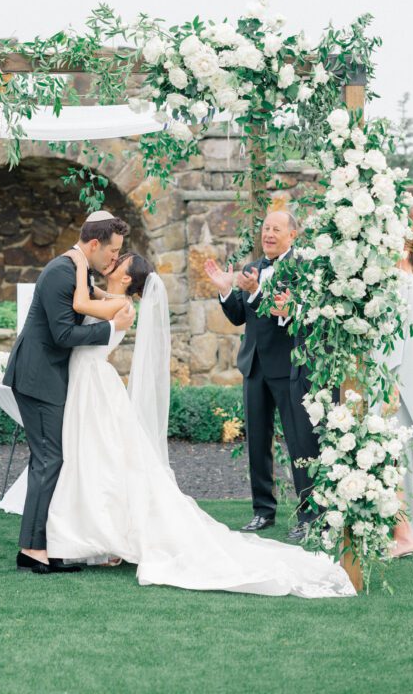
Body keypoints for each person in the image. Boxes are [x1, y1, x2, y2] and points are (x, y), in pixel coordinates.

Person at [45, 246, 354, 597]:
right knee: (100, 460)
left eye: (120, 262)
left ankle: (106, 536)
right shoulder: (110, 296)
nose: (112, 263)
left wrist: (79, 260)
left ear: (127, 278)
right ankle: (99, 532)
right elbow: (90, 300)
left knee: (108, 460)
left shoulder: (121, 306)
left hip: (95, 384)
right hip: (92, 385)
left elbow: (80, 305)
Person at [3, 212, 135, 573]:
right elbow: (63, 335)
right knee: (49, 459)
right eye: (113, 250)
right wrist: (111, 329)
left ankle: (40, 543)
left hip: (48, 376)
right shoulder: (63, 271)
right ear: (94, 244)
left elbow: (90, 298)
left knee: (48, 459)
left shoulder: (76, 269)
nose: (114, 258)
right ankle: (32, 549)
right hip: (38, 377)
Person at [204, 210, 317, 542]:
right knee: (257, 442)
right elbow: (239, 315)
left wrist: (255, 293)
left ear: (292, 235)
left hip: (290, 367)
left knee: (300, 442)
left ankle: (309, 513)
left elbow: (299, 315)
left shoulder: (303, 268)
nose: (268, 233)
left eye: (276, 229)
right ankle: (263, 511)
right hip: (254, 367)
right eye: (266, 228)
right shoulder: (252, 267)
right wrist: (227, 291)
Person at [385, 224, 413, 556]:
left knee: (392, 463)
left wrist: (387, 385)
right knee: (401, 464)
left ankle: (405, 535)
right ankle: (405, 531)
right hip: (410, 389)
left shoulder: (401, 288)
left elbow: (395, 344)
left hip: (395, 388)